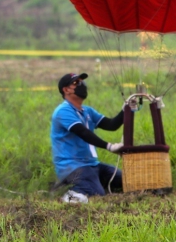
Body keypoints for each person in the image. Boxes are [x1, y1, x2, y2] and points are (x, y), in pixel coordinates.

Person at [51, 73, 125, 203]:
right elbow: (83, 133)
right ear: (66, 90)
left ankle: (89, 185)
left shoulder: (87, 111)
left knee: (128, 181)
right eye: (76, 83)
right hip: (72, 167)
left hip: (92, 165)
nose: (82, 85)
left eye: (82, 82)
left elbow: (111, 125)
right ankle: (65, 193)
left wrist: (127, 109)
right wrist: (110, 146)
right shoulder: (63, 111)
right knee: (96, 195)